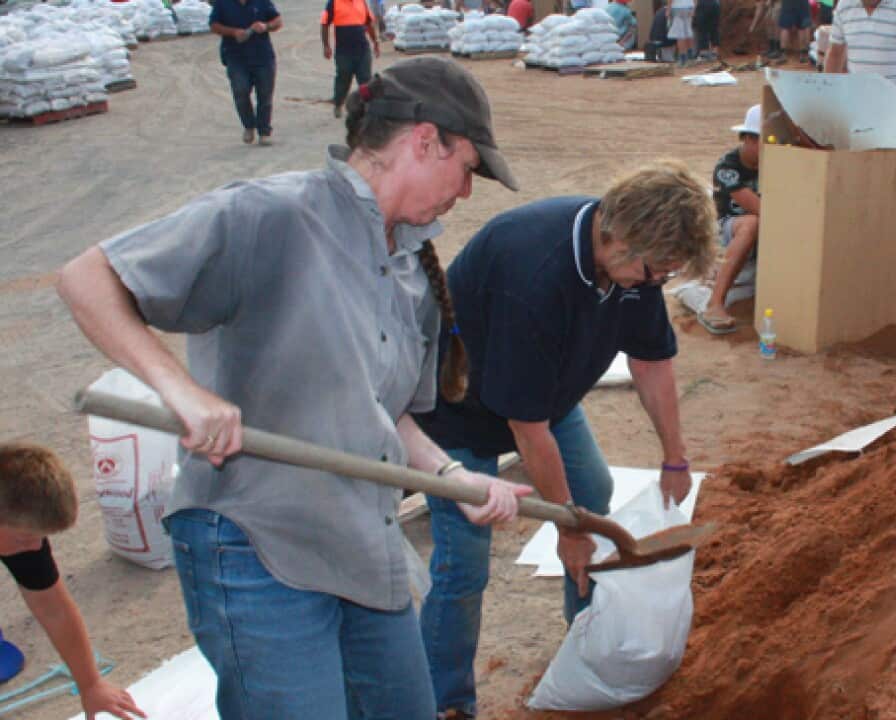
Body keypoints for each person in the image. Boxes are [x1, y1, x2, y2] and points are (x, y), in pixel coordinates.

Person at [57, 57, 530, 720]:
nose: (467, 192)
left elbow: (384, 415)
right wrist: (181, 391)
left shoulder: (413, 270)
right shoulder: (273, 216)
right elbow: (86, 278)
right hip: (258, 546)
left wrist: (455, 475)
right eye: (469, 168)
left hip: (363, 541)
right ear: (426, 140)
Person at [414, 160, 716, 719]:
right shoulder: (536, 272)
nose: (656, 284)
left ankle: (588, 641)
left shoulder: (635, 262)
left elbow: (651, 362)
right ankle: (445, 702)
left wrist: (675, 457)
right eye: (655, 272)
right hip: (455, 411)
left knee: (593, 493)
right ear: (620, 238)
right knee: (463, 564)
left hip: (544, 397)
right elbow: (526, 431)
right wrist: (566, 527)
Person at [0, 443, 146, 719]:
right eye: (24, 538)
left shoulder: (22, 535)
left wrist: (91, 684)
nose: (34, 547)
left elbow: (53, 608)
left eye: (40, 538)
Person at [824, 0, 896, 145]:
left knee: (891, 165)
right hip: (856, 112)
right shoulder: (844, 6)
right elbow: (835, 55)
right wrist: (829, 101)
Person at [700, 105, 762, 334]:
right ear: (748, 138)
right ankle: (715, 303)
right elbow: (759, 209)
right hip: (727, 227)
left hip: (757, 230)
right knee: (752, 222)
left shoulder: (772, 163)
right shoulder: (727, 166)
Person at [209, 0, 283, 146]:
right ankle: (249, 125)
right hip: (236, 57)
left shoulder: (262, 2)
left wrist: (266, 26)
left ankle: (264, 131)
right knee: (240, 92)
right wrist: (233, 32)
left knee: (265, 95)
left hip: (263, 56)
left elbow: (277, 20)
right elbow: (214, 25)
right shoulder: (222, 3)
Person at [322, 0, 380, 119]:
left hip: (362, 50)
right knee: (343, 78)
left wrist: (375, 41)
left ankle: (367, 109)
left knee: (365, 80)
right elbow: (325, 23)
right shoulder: (333, 3)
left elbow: (369, 23)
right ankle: (338, 103)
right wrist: (326, 45)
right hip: (344, 52)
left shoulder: (361, 2)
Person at [669, 0, 697, 65]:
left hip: (677, 7)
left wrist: (668, 9)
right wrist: (694, 9)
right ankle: (690, 55)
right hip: (689, 6)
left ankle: (683, 57)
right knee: (688, 31)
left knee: (680, 34)